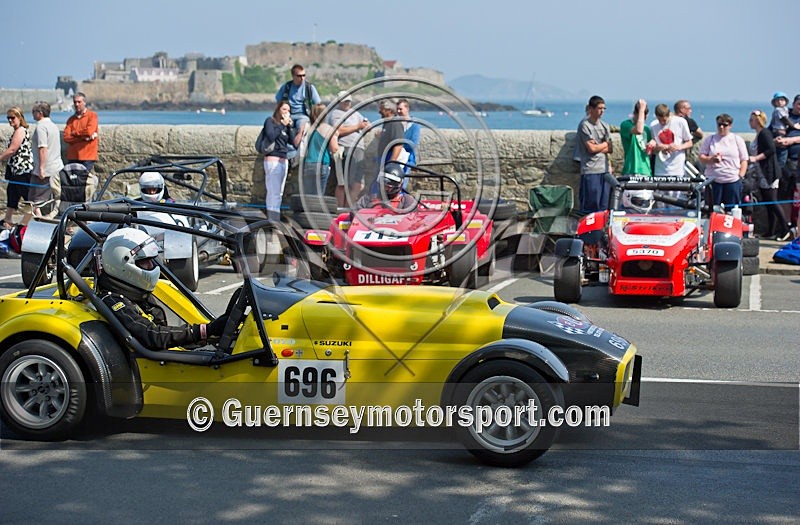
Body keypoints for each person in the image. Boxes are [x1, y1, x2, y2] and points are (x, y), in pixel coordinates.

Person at [98, 228, 227, 351]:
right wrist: (205, 330)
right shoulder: (114, 301)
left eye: (152, 260)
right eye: (145, 262)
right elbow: (152, 336)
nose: (152, 266)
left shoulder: (136, 292)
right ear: (123, 265)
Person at [748, 110, 794, 241]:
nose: (750, 122)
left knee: (773, 201)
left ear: (757, 121)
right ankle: (771, 231)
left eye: (751, 120)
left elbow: (770, 150)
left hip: (769, 173)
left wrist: (756, 158)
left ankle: (785, 229)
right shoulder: (759, 134)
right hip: (762, 174)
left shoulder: (764, 133)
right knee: (768, 202)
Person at [327, 90, 369, 206]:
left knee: (358, 184)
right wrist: (357, 126)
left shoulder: (355, 113)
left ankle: (347, 207)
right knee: (342, 183)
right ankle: (341, 208)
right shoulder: (335, 114)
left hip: (358, 148)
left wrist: (365, 125)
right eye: (345, 101)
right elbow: (338, 130)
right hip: (345, 147)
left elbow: (365, 124)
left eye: (349, 101)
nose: (347, 104)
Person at [698, 114, 748, 207]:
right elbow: (701, 157)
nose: (721, 127)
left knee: (732, 209)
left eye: (724, 125)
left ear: (730, 126)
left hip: (732, 180)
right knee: (712, 209)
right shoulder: (710, 139)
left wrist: (740, 175)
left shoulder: (737, 140)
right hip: (713, 180)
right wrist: (711, 159)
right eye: (719, 124)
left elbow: (744, 160)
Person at [575, 95, 613, 214]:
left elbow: (610, 148)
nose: (602, 111)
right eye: (599, 108)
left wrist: (599, 146)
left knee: (604, 207)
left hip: (604, 170)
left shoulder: (605, 126)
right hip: (590, 170)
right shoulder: (585, 126)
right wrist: (603, 145)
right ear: (591, 109)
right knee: (590, 206)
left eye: (603, 108)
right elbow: (591, 148)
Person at [261, 101, 296, 221]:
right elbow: (271, 136)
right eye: (284, 109)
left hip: (283, 160)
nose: (287, 112)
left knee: (279, 193)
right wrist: (282, 125)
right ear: (278, 110)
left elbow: (292, 142)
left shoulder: (286, 126)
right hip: (272, 159)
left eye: (288, 110)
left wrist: (289, 127)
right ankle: (272, 219)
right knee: (273, 192)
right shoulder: (270, 121)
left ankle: (275, 217)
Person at [0, 107, 34, 229]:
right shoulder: (17, 130)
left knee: (29, 198)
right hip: (15, 170)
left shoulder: (20, 131)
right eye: (8, 118)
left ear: (19, 118)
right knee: (12, 194)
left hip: (23, 170)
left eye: (12, 117)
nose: (10, 120)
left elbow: (12, 149)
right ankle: (8, 219)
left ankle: (31, 221)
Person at [29, 101, 63, 219]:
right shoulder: (53, 126)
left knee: (34, 199)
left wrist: (41, 169)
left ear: (40, 113)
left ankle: (39, 220)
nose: (32, 114)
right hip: (57, 167)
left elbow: (43, 148)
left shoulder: (41, 127)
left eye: (33, 111)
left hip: (46, 169)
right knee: (56, 197)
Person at [367, 100, 405, 194]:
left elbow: (398, 145)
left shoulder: (395, 124)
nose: (380, 112)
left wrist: (391, 163)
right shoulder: (387, 123)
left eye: (382, 110)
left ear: (389, 110)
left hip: (388, 160)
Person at [275, 64, 320, 142]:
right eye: (299, 76)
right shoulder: (286, 87)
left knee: (302, 128)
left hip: (303, 116)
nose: (302, 78)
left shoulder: (309, 87)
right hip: (289, 115)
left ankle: (298, 149)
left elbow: (318, 104)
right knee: (283, 128)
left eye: (304, 75)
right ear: (293, 76)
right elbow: (278, 101)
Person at [301, 103, 338, 195]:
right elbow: (334, 149)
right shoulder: (328, 129)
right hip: (322, 163)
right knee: (319, 196)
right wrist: (336, 136)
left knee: (308, 195)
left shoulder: (308, 127)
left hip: (308, 163)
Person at [650, 104, 693, 177]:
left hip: (678, 169)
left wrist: (678, 147)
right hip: (660, 170)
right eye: (659, 120)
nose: (662, 123)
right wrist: (658, 147)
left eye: (664, 120)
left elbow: (689, 143)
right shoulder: (653, 125)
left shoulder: (681, 122)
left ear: (669, 115)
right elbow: (652, 149)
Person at [62, 92, 99, 171]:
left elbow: (89, 132)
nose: (76, 104)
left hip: (87, 157)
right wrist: (83, 138)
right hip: (73, 156)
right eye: (75, 102)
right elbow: (66, 137)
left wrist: (74, 133)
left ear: (84, 102)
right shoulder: (71, 120)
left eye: (79, 102)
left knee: (83, 181)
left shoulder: (92, 116)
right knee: (72, 182)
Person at [619, 99, 653, 177]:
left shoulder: (647, 129)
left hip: (646, 170)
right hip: (631, 169)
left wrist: (652, 144)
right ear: (635, 113)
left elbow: (649, 153)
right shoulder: (626, 125)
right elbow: (638, 130)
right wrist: (641, 109)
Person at [396, 98, 421, 177]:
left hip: (407, 160)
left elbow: (413, 143)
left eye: (400, 109)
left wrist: (398, 145)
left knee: (403, 184)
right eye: (397, 109)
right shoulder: (395, 123)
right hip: (395, 158)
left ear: (407, 109)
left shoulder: (414, 125)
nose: (398, 111)